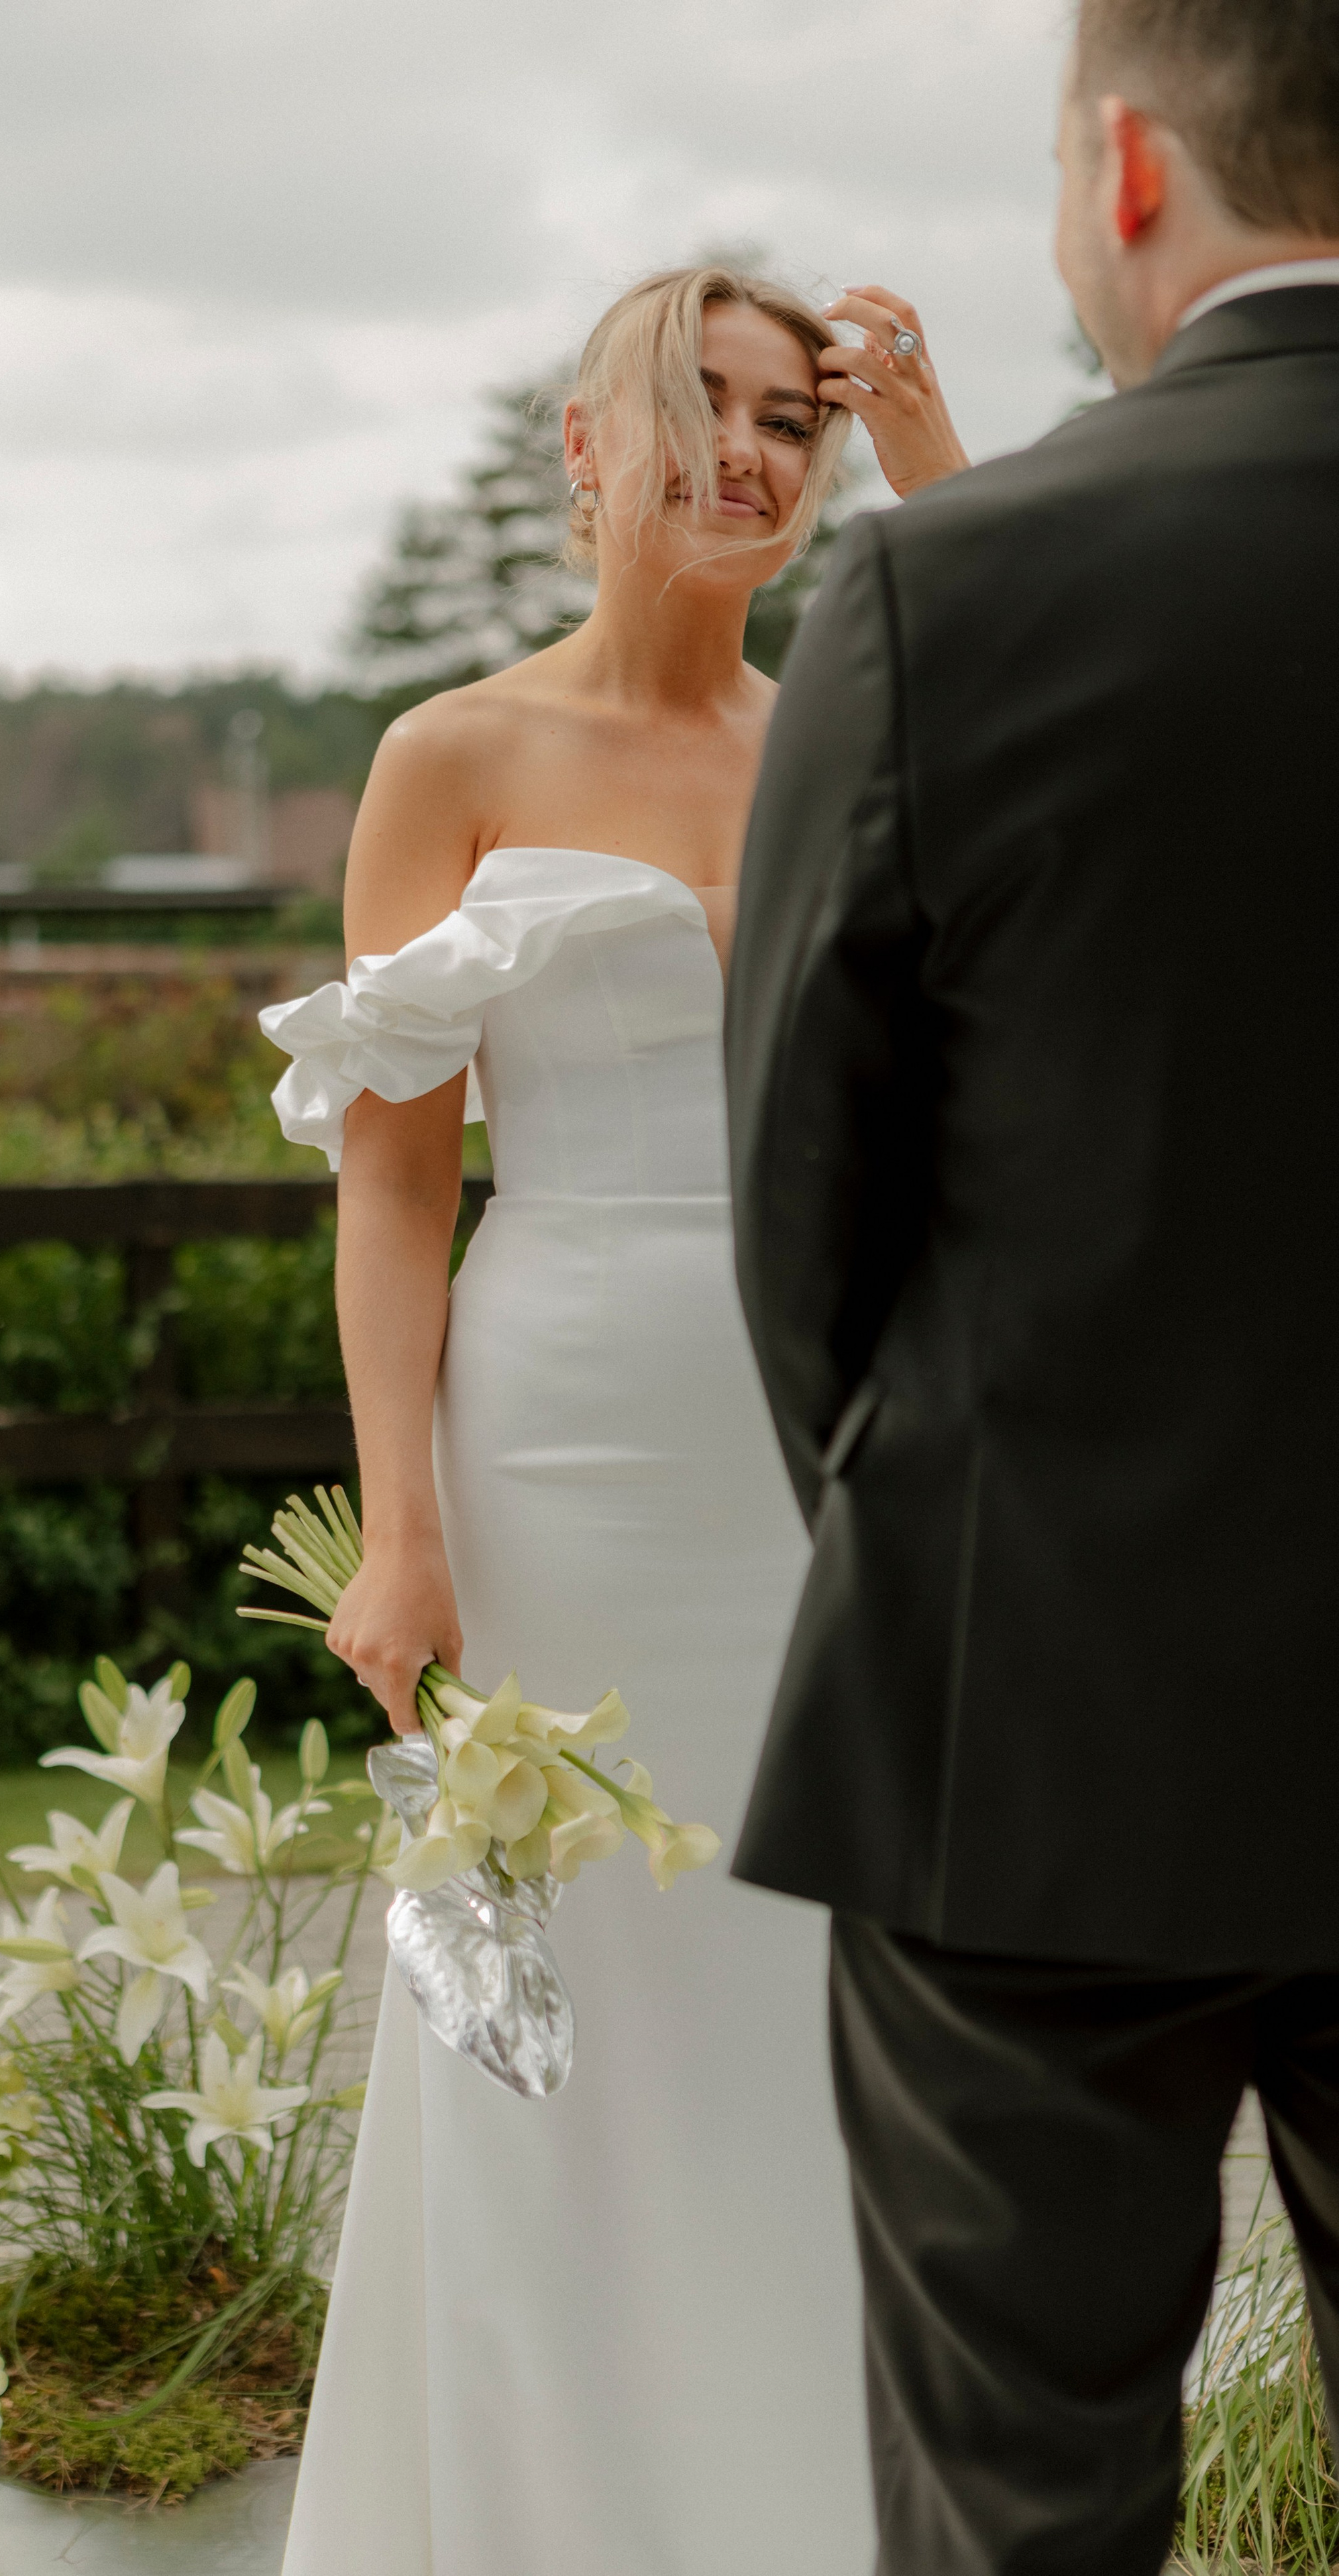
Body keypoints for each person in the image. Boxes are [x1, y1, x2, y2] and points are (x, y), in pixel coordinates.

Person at [260, 264, 968, 2573]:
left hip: (821, 1449)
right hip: (550, 1442)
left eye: (796, 420)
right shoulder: (451, 758)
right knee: (544, 2019)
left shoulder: (860, 726)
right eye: (701, 408)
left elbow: (1082, 768)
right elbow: (390, 1185)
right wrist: (400, 1527)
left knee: (810, 1989)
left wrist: (946, 465)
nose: (750, 456)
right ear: (586, 451)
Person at [723, 3, 1339, 2569]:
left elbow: (806, 1222)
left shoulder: (936, 595)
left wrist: (965, 1535)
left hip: (1025, 1737)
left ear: (1121, 169)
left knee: (1018, 2511)